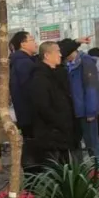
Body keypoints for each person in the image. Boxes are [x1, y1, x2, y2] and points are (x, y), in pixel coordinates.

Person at [21, 41, 76, 172]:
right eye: (57, 52)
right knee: (53, 168)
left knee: (67, 167)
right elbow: (42, 106)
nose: (60, 55)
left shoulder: (59, 73)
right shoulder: (40, 78)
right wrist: (59, 122)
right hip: (51, 132)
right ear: (46, 55)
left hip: (63, 129)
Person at [59, 39, 99, 167]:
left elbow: (91, 88)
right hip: (76, 109)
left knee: (92, 141)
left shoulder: (85, 62)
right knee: (81, 141)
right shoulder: (69, 63)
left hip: (86, 110)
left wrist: (91, 111)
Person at [8, 31, 39, 137]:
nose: (36, 43)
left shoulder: (20, 60)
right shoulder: (24, 63)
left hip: (26, 116)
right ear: (23, 44)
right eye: (32, 40)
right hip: (31, 116)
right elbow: (30, 90)